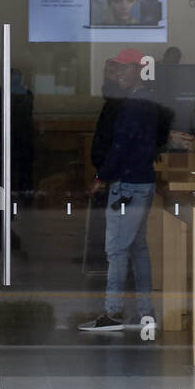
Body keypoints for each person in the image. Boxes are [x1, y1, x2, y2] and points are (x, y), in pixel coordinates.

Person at [80, 48, 173, 333]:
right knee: (137, 248)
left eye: (124, 68)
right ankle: (145, 313)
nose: (118, 74)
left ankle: (113, 312)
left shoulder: (132, 105)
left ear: (137, 70)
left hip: (128, 185)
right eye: (116, 68)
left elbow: (121, 145)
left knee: (117, 250)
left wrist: (101, 177)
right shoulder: (149, 101)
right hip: (142, 182)